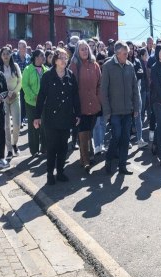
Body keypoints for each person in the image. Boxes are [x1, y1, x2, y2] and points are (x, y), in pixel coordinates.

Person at [34, 49, 80, 185]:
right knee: (52, 147)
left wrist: (77, 114)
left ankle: (60, 172)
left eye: (66, 58)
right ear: (55, 60)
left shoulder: (70, 75)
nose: (63, 60)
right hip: (51, 118)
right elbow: (41, 97)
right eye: (61, 57)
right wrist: (37, 117)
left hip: (66, 118)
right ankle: (49, 173)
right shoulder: (48, 76)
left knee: (63, 147)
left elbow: (75, 96)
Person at [101, 41, 139, 175]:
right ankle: (109, 158)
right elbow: (103, 91)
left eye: (127, 53)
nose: (127, 56)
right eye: (124, 53)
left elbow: (135, 88)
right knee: (116, 136)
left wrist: (136, 107)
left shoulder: (130, 66)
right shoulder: (107, 66)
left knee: (125, 138)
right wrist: (107, 111)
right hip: (114, 111)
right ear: (117, 53)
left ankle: (122, 165)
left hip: (128, 110)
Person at [70, 40, 102, 172]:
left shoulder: (95, 65)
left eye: (86, 49)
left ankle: (87, 156)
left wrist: (98, 99)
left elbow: (100, 83)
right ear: (77, 51)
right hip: (80, 104)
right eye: (81, 49)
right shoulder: (74, 65)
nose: (84, 51)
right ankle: (86, 160)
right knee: (83, 131)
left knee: (89, 131)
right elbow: (71, 86)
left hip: (93, 103)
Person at [22, 50, 47, 157]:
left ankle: (44, 148)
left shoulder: (46, 69)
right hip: (31, 103)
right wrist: (34, 96)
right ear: (36, 57)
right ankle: (34, 150)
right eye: (42, 56)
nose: (44, 57)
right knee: (33, 127)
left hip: (44, 103)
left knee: (44, 126)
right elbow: (25, 86)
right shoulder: (28, 69)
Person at [0, 47, 22, 157]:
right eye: (4, 54)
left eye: (8, 53)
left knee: (17, 124)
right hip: (4, 99)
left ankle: (14, 143)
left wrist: (14, 92)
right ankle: (9, 149)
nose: (6, 55)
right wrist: (5, 94)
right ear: (1, 56)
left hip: (15, 97)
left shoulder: (15, 66)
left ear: (11, 55)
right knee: (6, 125)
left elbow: (20, 81)